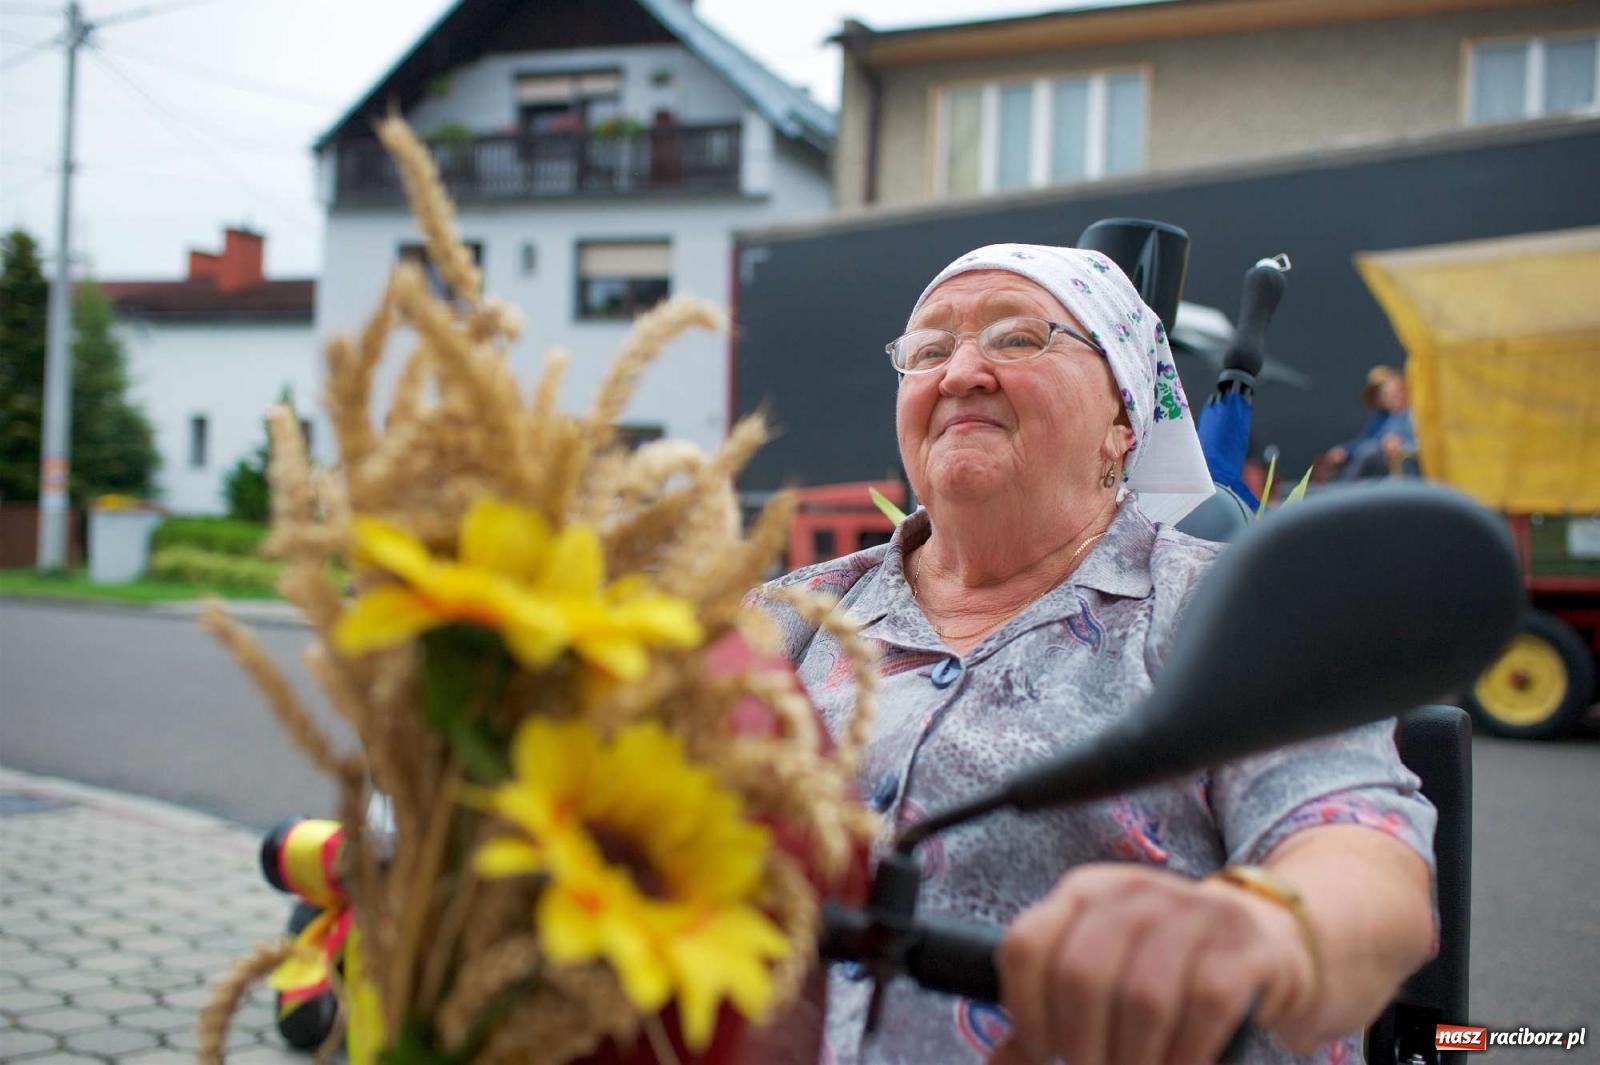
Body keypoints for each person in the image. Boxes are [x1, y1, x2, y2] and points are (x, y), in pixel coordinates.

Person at [754, 245, 1437, 1065]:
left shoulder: (1229, 611)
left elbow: (1363, 858)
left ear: (1124, 418)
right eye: (929, 351)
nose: (961, 370)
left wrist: (1256, 927)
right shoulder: (786, 618)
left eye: (1017, 338)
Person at [1324, 365, 1418, 480]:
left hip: (1406, 473)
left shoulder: (1412, 415)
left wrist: (1400, 446)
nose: (1388, 398)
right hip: (1381, 472)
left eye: (1395, 393)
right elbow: (1365, 440)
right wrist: (1345, 451)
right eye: (1384, 394)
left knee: (1368, 451)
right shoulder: (1381, 417)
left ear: (1405, 391)